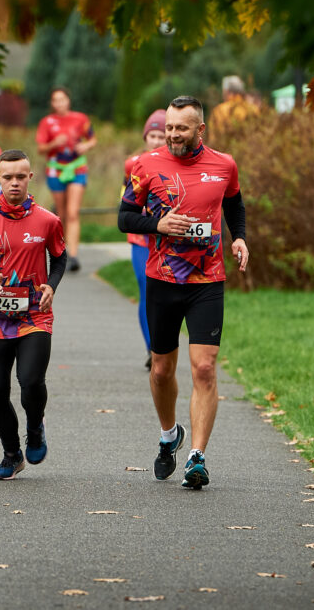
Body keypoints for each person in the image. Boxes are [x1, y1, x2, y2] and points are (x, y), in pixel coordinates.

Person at [118, 95, 248, 490]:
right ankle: (169, 434)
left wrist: (239, 238)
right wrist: (158, 225)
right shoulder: (145, 165)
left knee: (205, 367)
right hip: (163, 280)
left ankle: (197, 456)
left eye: (181, 129)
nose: (173, 135)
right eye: (170, 128)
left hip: (207, 281)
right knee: (161, 370)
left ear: (200, 130)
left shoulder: (223, 164)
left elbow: (234, 204)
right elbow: (124, 217)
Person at [0, 150, 67, 480]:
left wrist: (51, 285)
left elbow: (60, 258)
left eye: (21, 176)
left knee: (31, 381)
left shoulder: (48, 221)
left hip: (35, 315)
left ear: (30, 177)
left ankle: (35, 428)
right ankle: (11, 453)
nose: (15, 183)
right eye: (8, 177)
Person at [122, 109, 166, 370]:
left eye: (162, 135)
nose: (158, 141)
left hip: (165, 240)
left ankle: (163, 344)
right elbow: (125, 200)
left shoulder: (176, 164)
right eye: (153, 135)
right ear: (145, 137)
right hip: (141, 238)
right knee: (146, 290)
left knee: (164, 293)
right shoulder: (133, 164)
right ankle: (152, 347)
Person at [36, 87, 96, 272]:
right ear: (52, 104)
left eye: (63, 99)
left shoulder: (80, 119)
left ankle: (74, 255)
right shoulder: (47, 122)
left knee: (72, 212)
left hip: (76, 167)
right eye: (56, 100)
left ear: (68, 101)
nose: (60, 103)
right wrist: (54, 143)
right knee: (61, 214)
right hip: (56, 168)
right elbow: (40, 148)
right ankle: (60, 251)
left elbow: (92, 139)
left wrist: (85, 146)